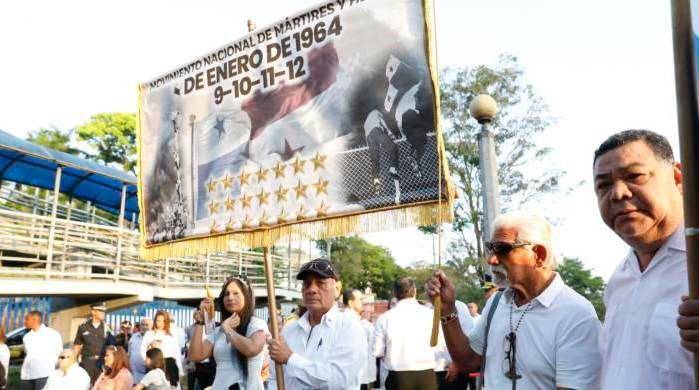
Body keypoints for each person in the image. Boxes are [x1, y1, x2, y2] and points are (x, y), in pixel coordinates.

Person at [426, 211, 602, 389]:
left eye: (503, 249)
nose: (492, 259)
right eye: (491, 248)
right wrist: (447, 309)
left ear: (538, 255)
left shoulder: (576, 314)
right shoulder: (496, 302)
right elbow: (468, 361)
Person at [590, 130, 693, 388]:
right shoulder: (619, 280)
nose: (618, 193)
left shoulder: (695, 266)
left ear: (678, 178)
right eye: (603, 185)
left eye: (635, 176)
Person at [267, 258, 367, 389]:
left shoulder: (349, 327)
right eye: (307, 284)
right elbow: (274, 376)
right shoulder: (289, 331)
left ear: (337, 288)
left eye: (320, 283)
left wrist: (290, 358)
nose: (312, 289)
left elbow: (338, 379)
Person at [188, 277, 269, 390]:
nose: (230, 297)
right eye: (227, 294)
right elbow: (195, 356)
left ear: (246, 297)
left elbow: (252, 349)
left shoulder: (256, 324)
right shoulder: (218, 330)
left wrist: (228, 329)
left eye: (236, 293)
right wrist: (200, 322)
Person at [372, 277, 438, 390]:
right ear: (415, 291)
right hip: (427, 375)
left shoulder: (384, 318)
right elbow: (439, 345)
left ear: (395, 293)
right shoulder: (432, 315)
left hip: (398, 377)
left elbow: (377, 351)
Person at [74, 302, 116, 385]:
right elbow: (77, 346)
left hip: (101, 364)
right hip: (87, 363)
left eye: (104, 312)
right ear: (93, 312)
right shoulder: (83, 327)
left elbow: (112, 347)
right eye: (100, 311)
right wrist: (74, 363)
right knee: (84, 386)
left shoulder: (107, 328)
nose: (103, 314)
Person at [21, 311, 63, 390]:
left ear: (35, 319)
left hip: (45, 374)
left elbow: (59, 353)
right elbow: (28, 354)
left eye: (27, 319)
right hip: (27, 375)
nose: (24, 321)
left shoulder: (53, 334)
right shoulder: (26, 337)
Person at [343, 289, 376, 390]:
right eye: (360, 299)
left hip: (358, 376)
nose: (363, 302)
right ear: (351, 303)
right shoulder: (349, 321)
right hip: (352, 377)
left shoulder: (356, 321)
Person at [140, 310, 182, 389]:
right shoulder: (149, 334)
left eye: (163, 321)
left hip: (170, 365)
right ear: (155, 320)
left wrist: (180, 370)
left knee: (171, 387)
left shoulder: (172, 335)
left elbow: (177, 354)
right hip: (154, 364)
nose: (160, 323)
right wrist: (148, 361)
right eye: (158, 320)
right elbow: (142, 349)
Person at [129, 318, 153, 384]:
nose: (144, 327)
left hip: (147, 374)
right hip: (134, 374)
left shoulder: (153, 337)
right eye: (142, 324)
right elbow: (130, 353)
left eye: (147, 325)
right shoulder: (134, 336)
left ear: (151, 326)